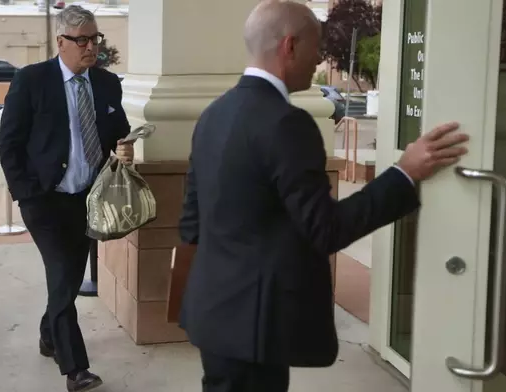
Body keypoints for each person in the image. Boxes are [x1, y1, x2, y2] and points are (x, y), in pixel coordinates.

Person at [178, 1, 469, 391]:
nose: (319, 59)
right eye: (316, 47)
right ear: (290, 46)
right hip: (255, 327)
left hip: (213, 316)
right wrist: (405, 173)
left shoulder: (213, 114)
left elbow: (191, 223)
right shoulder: (287, 123)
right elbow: (326, 229)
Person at [0, 5, 132, 392]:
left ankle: (47, 334)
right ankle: (75, 369)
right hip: (45, 199)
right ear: (61, 42)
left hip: (87, 199)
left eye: (95, 38)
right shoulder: (31, 81)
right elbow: (10, 142)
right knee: (62, 274)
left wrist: (125, 148)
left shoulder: (107, 84)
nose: (91, 47)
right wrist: (25, 193)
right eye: (82, 40)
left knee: (67, 280)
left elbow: (117, 131)